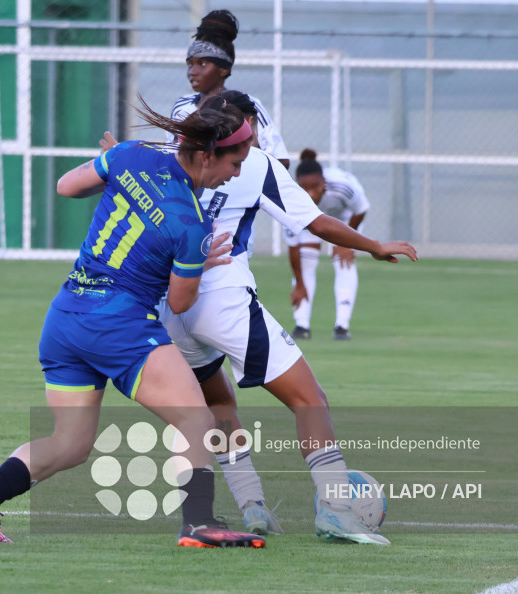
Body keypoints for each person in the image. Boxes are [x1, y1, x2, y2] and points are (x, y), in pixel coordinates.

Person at [0, 96, 264, 549]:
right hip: (117, 323)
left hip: (66, 317)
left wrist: (120, 173)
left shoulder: (131, 154)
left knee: (71, 443)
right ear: (206, 154)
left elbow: (66, 186)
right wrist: (202, 265)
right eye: (234, 162)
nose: (235, 173)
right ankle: (198, 524)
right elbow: (178, 302)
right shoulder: (193, 227)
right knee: (196, 416)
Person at [157, 91, 418, 545]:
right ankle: (337, 509)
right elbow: (314, 223)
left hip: (171, 305)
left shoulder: (170, 155)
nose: (257, 137)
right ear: (241, 127)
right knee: (309, 399)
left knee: (219, 405)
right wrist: (373, 245)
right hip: (222, 298)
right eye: (255, 127)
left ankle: (254, 507)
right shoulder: (255, 165)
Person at [167, 9, 290, 169]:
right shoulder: (182, 106)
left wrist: (242, 168)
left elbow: (280, 159)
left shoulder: (247, 105)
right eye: (190, 64)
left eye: (202, 64)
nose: (193, 71)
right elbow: (171, 154)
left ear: (223, 69)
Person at [285, 149, 371, 341]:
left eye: (315, 187)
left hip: (345, 216)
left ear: (324, 182)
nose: (310, 193)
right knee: (306, 261)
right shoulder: (291, 200)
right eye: (304, 188)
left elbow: (361, 209)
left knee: (343, 260)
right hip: (312, 218)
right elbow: (293, 247)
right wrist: (299, 284)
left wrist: (346, 243)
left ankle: (342, 326)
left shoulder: (343, 187)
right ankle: (302, 325)